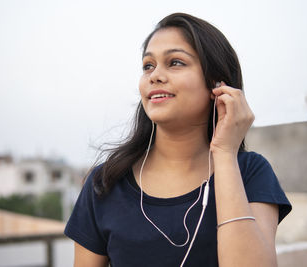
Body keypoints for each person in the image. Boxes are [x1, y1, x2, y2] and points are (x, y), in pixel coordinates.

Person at [65, 12, 292, 267]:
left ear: (217, 84)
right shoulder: (105, 183)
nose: (155, 76)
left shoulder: (250, 172)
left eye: (175, 62)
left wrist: (225, 153)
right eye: (148, 66)